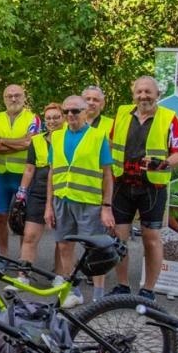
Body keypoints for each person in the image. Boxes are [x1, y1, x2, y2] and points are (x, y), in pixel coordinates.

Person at [108, 75, 178, 302]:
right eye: (139, 92)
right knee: (119, 238)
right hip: (122, 184)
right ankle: (122, 286)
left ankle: (148, 290)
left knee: (151, 238)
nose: (143, 96)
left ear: (157, 94)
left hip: (152, 187)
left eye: (148, 92)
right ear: (133, 95)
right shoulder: (122, 113)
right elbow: (111, 144)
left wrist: (166, 163)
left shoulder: (169, 118)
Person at [46, 94, 116, 304]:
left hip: (89, 202)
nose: (70, 115)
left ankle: (99, 296)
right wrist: (48, 206)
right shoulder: (56, 137)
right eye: (66, 111)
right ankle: (73, 291)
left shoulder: (98, 136)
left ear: (85, 113)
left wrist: (106, 206)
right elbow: (52, 172)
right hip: (62, 201)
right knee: (65, 246)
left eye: (75, 111)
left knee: (95, 250)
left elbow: (107, 174)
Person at [0, 85, 36, 258]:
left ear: (24, 97)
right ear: (4, 98)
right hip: (1, 174)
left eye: (17, 96)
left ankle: (23, 257)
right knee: (0, 216)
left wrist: (2, 141)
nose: (13, 99)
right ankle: (4, 256)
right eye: (9, 96)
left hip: (24, 175)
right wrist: (18, 143)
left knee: (23, 217)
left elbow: (30, 143)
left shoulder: (33, 118)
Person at [14, 103, 64, 267]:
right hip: (38, 192)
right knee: (29, 236)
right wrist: (21, 193)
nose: (52, 121)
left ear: (63, 118)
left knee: (62, 240)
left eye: (56, 117)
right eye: (48, 118)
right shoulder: (36, 140)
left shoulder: (70, 138)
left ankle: (61, 275)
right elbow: (29, 169)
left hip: (62, 193)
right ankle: (24, 274)